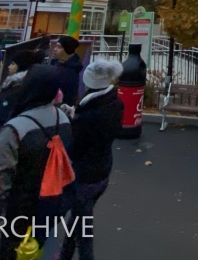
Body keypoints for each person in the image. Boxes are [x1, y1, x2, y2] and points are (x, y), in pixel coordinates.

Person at [0, 65, 73, 260]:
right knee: (33, 249)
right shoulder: (63, 119)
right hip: (51, 203)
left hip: (19, 207)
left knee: (12, 250)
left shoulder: (16, 129)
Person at [59, 59, 124, 260]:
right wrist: (76, 114)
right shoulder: (114, 103)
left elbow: (76, 147)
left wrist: (74, 121)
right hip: (102, 168)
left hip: (85, 175)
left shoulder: (88, 116)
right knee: (79, 218)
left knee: (83, 229)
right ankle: (64, 254)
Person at [0, 50, 42, 155]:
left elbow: (3, 117)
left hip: (5, 139)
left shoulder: (16, 88)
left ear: (21, 66)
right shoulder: (21, 84)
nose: (9, 66)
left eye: (13, 64)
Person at [50, 35, 83, 106]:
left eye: (59, 47)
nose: (55, 49)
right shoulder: (54, 62)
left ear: (67, 50)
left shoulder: (72, 70)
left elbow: (70, 96)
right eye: (56, 46)